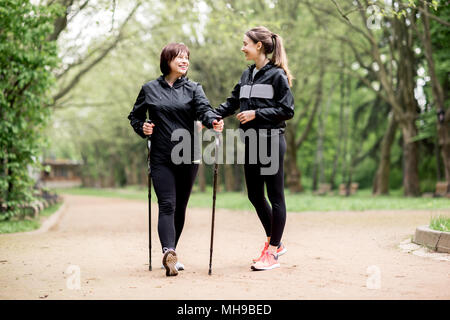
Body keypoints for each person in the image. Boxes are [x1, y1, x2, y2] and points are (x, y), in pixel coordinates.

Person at [128, 43, 223, 277]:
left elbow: (205, 110)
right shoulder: (149, 88)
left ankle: (172, 255)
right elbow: (135, 116)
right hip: (161, 156)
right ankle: (168, 250)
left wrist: (213, 121)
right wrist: (143, 127)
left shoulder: (194, 88)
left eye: (187, 57)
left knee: (180, 207)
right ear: (167, 60)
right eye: (179, 57)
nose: (184, 61)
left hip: (188, 155)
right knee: (167, 204)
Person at [213, 26, 294, 271]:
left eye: (245, 43)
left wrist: (256, 113)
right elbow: (232, 102)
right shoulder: (247, 74)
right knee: (254, 195)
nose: (242, 47)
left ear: (259, 46)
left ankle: (272, 251)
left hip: (271, 141)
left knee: (275, 196)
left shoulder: (277, 75)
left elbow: (287, 110)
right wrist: (210, 116)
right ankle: (276, 243)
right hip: (251, 143)